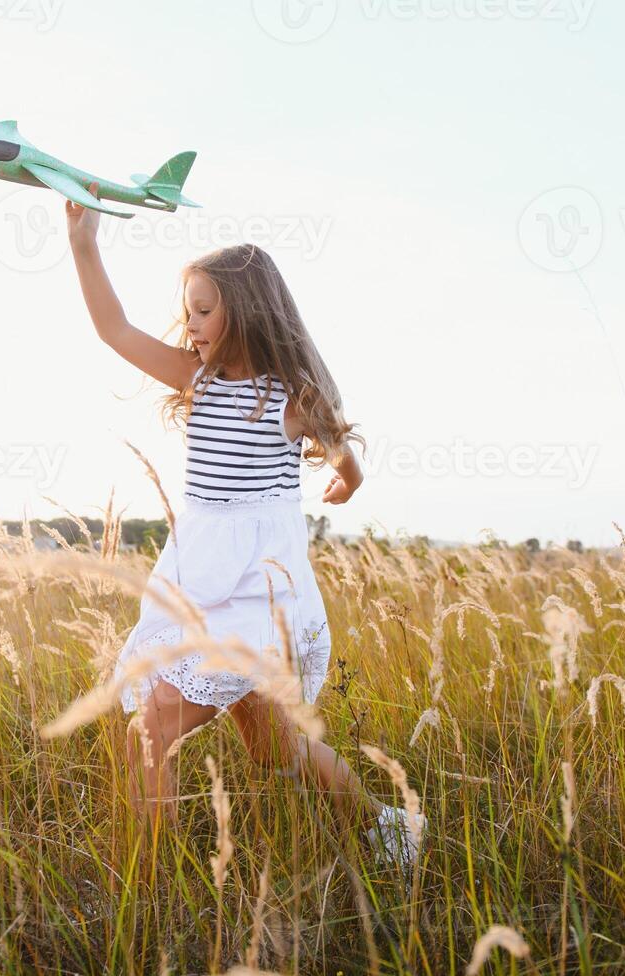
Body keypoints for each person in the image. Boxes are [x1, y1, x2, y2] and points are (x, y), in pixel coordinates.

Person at [65, 185, 422, 868]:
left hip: (258, 594)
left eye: (202, 310)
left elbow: (343, 454)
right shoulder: (194, 381)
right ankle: (386, 826)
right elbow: (113, 329)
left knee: (157, 720)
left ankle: (146, 886)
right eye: (186, 311)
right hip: (197, 582)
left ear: (246, 312)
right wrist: (84, 243)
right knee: (272, 746)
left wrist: (344, 481)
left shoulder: (291, 400)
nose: (189, 324)